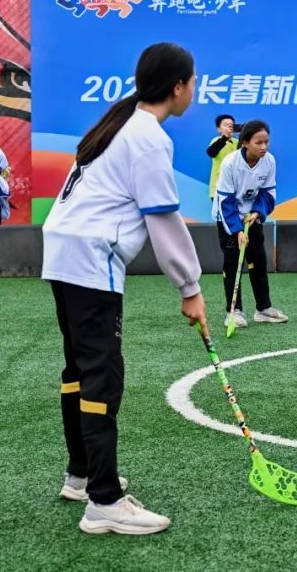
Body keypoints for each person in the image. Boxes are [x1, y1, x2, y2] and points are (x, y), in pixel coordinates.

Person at [41, 42, 208, 535]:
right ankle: (105, 501)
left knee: (79, 368)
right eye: (192, 82)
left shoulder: (120, 124)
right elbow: (163, 217)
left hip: (63, 250)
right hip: (89, 259)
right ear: (177, 87)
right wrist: (190, 287)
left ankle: (82, 475)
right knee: (101, 375)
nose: (194, 91)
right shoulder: (147, 136)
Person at [212, 119, 287, 329]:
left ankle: (263, 309)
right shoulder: (230, 163)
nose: (264, 147)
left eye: (266, 142)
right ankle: (234, 311)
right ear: (245, 142)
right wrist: (236, 231)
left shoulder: (269, 161)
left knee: (258, 261)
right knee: (232, 264)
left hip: (251, 217)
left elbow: (267, 193)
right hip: (228, 219)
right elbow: (224, 201)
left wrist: (257, 212)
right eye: (258, 143)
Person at [206, 114, 237, 200]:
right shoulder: (216, 141)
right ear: (218, 129)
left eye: (231, 125)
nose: (229, 127)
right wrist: (224, 138)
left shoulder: (238, 142)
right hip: (218, 188)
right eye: (226, 125)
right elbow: (211, 153)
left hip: (235, 188)